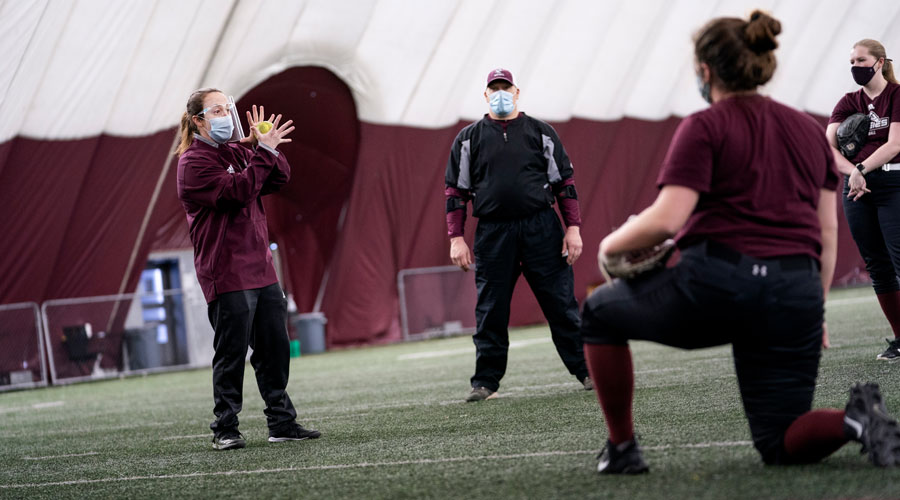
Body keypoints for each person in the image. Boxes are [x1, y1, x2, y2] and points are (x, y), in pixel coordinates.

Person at [580, 11, 900, 473]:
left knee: (598, 313)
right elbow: (824, 232)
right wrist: (817, 306)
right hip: (794, 291)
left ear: (706, 70)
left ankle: (623, 449)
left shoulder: (703, 126)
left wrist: (610, 245)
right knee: (779, 440)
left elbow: (669, 217)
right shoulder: (807, 131)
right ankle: (856, 421)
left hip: (718, 284)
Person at [176, 88, 320, 450]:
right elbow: (235, 192)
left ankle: (281, 422)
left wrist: (267, 147)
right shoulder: (192, 163)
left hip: (261, 268)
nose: (227, 115)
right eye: (217, 110)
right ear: (198, 121)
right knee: (232, 353)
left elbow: (277, 179)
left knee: (275, 349)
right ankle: (225, 428)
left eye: (228, 108)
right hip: (225, 271)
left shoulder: (238, 151)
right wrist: (262, 152)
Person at [444, 68, 590, 402]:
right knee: (490, 309)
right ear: (485, 95)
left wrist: (574, 230)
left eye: (504, 87)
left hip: (542, 227)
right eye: (493, 88)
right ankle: (485, 383)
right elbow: (455, 192)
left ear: (516, 91)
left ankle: (586, 370)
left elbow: (564, 184)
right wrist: (456, 237)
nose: (499, 93)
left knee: (561, 304)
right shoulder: (468, 139)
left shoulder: (541, 132)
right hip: (493, 233)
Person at [826, 39, 900, 362]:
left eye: (861, 60)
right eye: (852, 60)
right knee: (878, 266)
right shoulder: (847, 101)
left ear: (880, 62)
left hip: (893, 184)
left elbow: (895, 144)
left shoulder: (897, 95)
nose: (855, 66)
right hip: (856, 190)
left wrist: (860, 168)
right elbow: (827, 147)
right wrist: (853, 173)